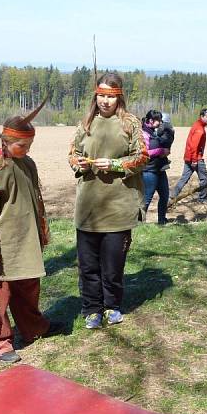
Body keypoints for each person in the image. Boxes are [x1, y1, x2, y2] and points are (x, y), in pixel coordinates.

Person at [0, 98, 52, 364]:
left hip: (26, 244)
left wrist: (42, 234)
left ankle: (33, 327)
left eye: (29, 145)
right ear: (5, 141)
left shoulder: (27, 164)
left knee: (29, 289)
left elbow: (36, 200)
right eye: (21, 145)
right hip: (1, 249)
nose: (26, 150)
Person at [69, 72, 148, 329]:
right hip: (88, 207)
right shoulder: (86, 123)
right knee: (88, 265)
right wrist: (78, 163)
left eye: (110, 96)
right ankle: (92, 308)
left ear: (119, 97)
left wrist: (115, 164)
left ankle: (112, 305)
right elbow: (73, 153)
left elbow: (142, 157)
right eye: (101, 95)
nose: (105, 101)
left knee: (112, 265)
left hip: (118, 207)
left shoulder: (130, 124)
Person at [170, 108, 207, 205]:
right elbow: (194, 145)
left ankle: (173, 195)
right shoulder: (199, 129)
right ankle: (202, 198)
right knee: (205, 178)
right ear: (202, 117)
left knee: (184, 178)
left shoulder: (197, 125)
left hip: (188, 157)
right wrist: (194, 160)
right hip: (196, 158)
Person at [141, 109, 173, 224]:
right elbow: (144, 153)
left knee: (165, 196)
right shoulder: (144, 133)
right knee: (147, 198)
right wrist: (160, 151)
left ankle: (162, 221)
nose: (160, 123)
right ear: (150, 120)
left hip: (160, 170)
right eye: (158, 120)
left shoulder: (154, 131)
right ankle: (139, 223)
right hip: (149, 171)